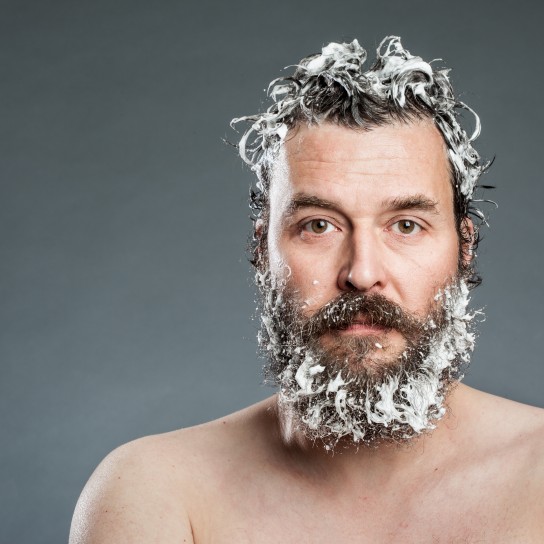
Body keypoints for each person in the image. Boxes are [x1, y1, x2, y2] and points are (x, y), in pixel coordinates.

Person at [70, 37, 544, 543]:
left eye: (406, 225)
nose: (362, 274)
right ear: (262, 250)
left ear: (464, 246)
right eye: (319, 226)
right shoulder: (155, 493)